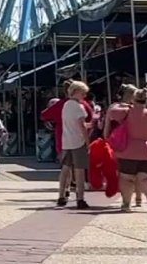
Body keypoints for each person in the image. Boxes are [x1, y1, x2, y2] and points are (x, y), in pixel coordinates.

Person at [105, 87, 147, 212]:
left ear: (133, 99)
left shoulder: (126, 112)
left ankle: (126, 203)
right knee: (145, 178)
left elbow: (111, 112)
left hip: (127, 151)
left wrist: (126, 105)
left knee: (126, 178)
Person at [57, 80, 92, 210]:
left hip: (66, 141)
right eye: (83, 93)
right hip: (79, 141)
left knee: (65, 169)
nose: (84, 96)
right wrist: (88, 142)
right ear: (76, 92)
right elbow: (81, 127)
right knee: (79, 171)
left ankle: (61, 195)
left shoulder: (66, 105)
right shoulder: (79, 107)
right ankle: (80, 198)